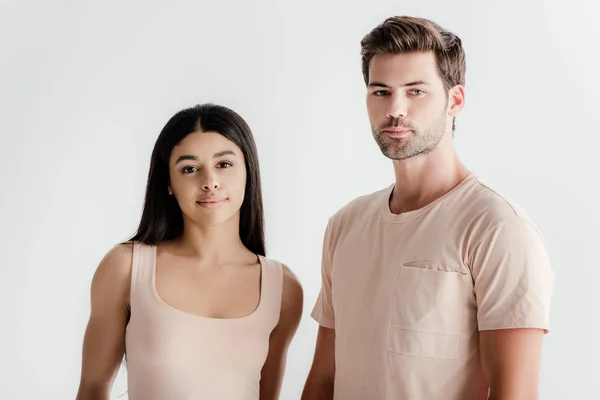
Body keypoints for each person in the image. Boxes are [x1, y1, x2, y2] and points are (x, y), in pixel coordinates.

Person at [301, 16, 554, 400]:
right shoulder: (346, 225)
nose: (395, 109)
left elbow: (514, 394)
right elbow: (322, 381)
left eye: (415, 91)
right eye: (381, 92)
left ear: (455, 100)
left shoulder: (497, 228)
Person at [75, 103, 303, 400]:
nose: (209, 182)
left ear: (248, 171)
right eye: (190, 169)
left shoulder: (282, 288)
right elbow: (93, 389)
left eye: (224, 164)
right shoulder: (126, 268)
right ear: (168, 183)